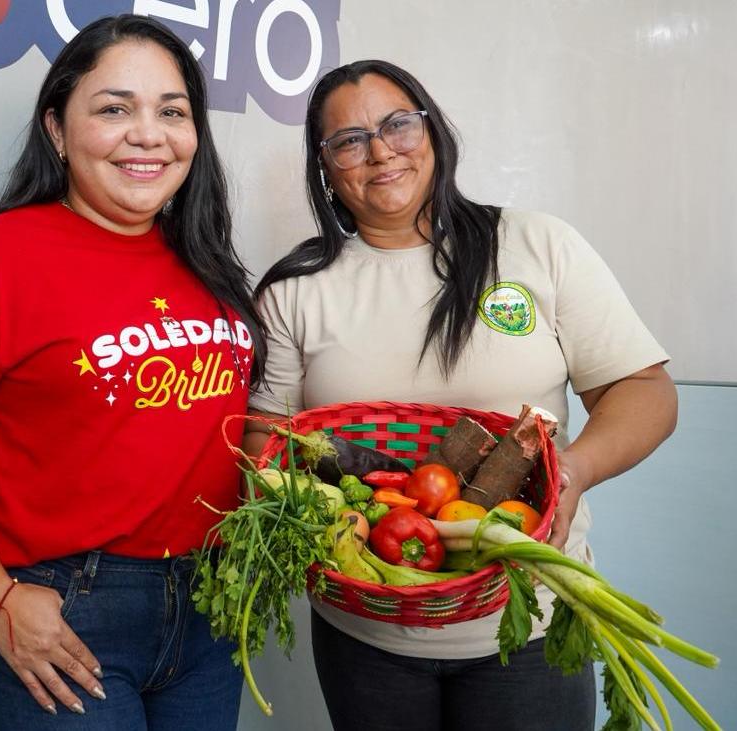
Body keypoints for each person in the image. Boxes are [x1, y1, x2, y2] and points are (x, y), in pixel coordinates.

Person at [246, 60, 677, 731]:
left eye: (396, 124)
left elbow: (643, 389)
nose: (380, 151)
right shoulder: (294, 289)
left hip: (529, 622)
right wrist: (283, 517)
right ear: (325, 168)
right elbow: (265, 433)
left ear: (431, 131)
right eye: (348, 141)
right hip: (366, 635)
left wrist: (577, 473)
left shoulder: (535, 244)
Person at [0, 15, 265, 731]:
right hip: (66, 607)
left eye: (171, 112)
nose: (148, 134)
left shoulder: (205, 259)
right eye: (114, 109)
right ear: (56, 128)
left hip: (208, 602)